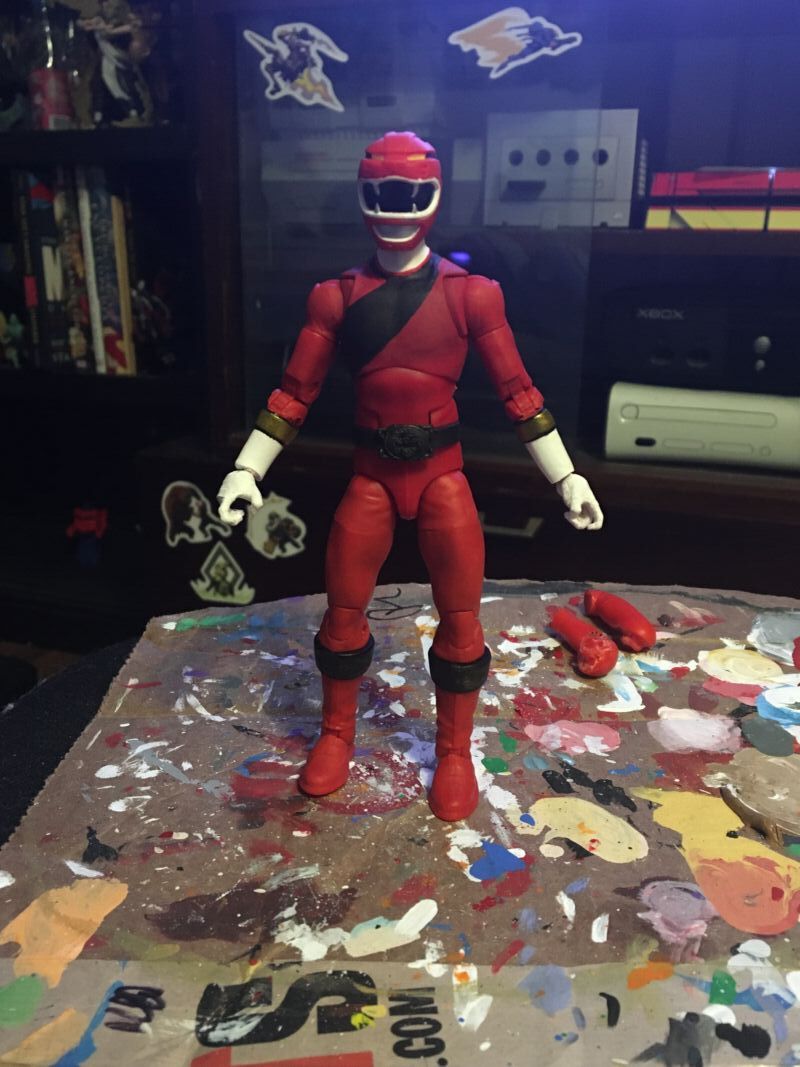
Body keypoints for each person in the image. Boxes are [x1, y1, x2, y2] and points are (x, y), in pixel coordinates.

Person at [217, 131, 603, 822]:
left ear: (434, 195)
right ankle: (337, 734)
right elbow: (294, 393)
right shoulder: (335, 298)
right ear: (364, 195)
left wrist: (566, 477)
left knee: (461, 619)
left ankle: (453, 751)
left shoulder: (472, 295)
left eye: (410, 194)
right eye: (383, 194)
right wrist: (248, 467)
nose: (397, 208)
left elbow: (519, 393)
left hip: (440, 475)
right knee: (343, 615)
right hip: (370, 475)